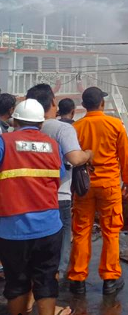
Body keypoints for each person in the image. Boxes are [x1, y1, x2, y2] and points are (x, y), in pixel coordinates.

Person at [0, 99, 72, 315]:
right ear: (40, 123)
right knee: (47, 280)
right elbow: (57, 178)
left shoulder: (5, 142)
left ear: (16, 121)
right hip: (49, 227)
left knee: (17, 282)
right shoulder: (53, 146)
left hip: (12, 229)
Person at [68, 87, 128, 296]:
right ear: (102, 104)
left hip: (84, 186)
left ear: (84, 105)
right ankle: (110, 279)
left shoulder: (77, 127)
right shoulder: (115, 124)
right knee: (111, 231)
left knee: (81, 230)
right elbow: (124, 155)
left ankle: (78, 279)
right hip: (109, 185)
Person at [26, 84, 93, 279]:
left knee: (34, 241)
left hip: (30, 194)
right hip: (59, 194)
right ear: (52, 102)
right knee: (60, 240)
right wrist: (88, 154)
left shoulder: (23, 130)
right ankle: (55, 278)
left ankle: (33, 284)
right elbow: (74, 158)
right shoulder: (62, 128)